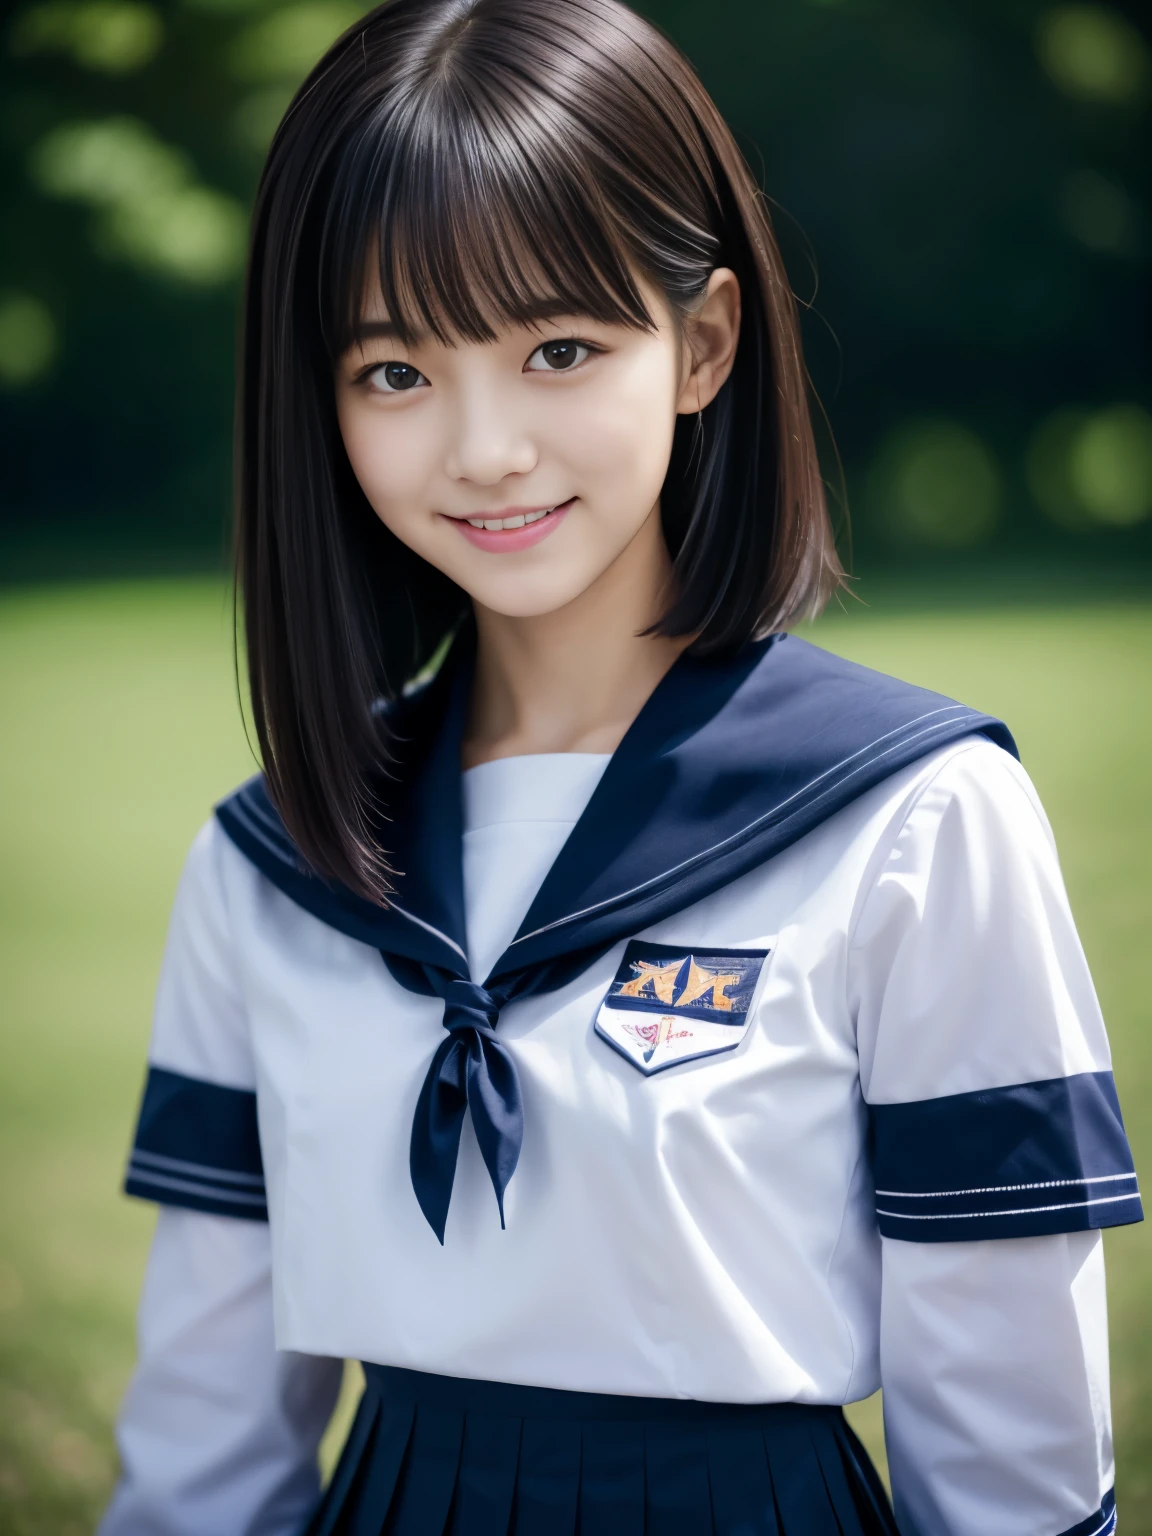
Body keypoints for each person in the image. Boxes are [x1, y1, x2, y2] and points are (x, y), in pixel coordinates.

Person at [100, 1, 1141, 1532]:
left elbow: (1008, 1446)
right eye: (394, 372)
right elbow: (203, 1444)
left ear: (703, 345)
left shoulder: (917, 820)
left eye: (559, 349)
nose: (485, 449)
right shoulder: (272, 865)